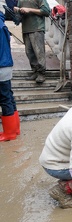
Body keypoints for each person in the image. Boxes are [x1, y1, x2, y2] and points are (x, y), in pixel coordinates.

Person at [14, 0, 50, 84]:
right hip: (26, 29)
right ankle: (35, 71)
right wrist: (17, 11)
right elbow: (19, 15)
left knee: (39, 52)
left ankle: (41, 73)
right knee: (29, 52)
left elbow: (46, 11)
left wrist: (29, 9)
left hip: (37, 28)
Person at [0, 11, 20, 142]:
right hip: (6, 63)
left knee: (4, 98)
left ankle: (10, 133)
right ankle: (15, 128)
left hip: (1, 65)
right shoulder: (2, 23)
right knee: (8, 96)